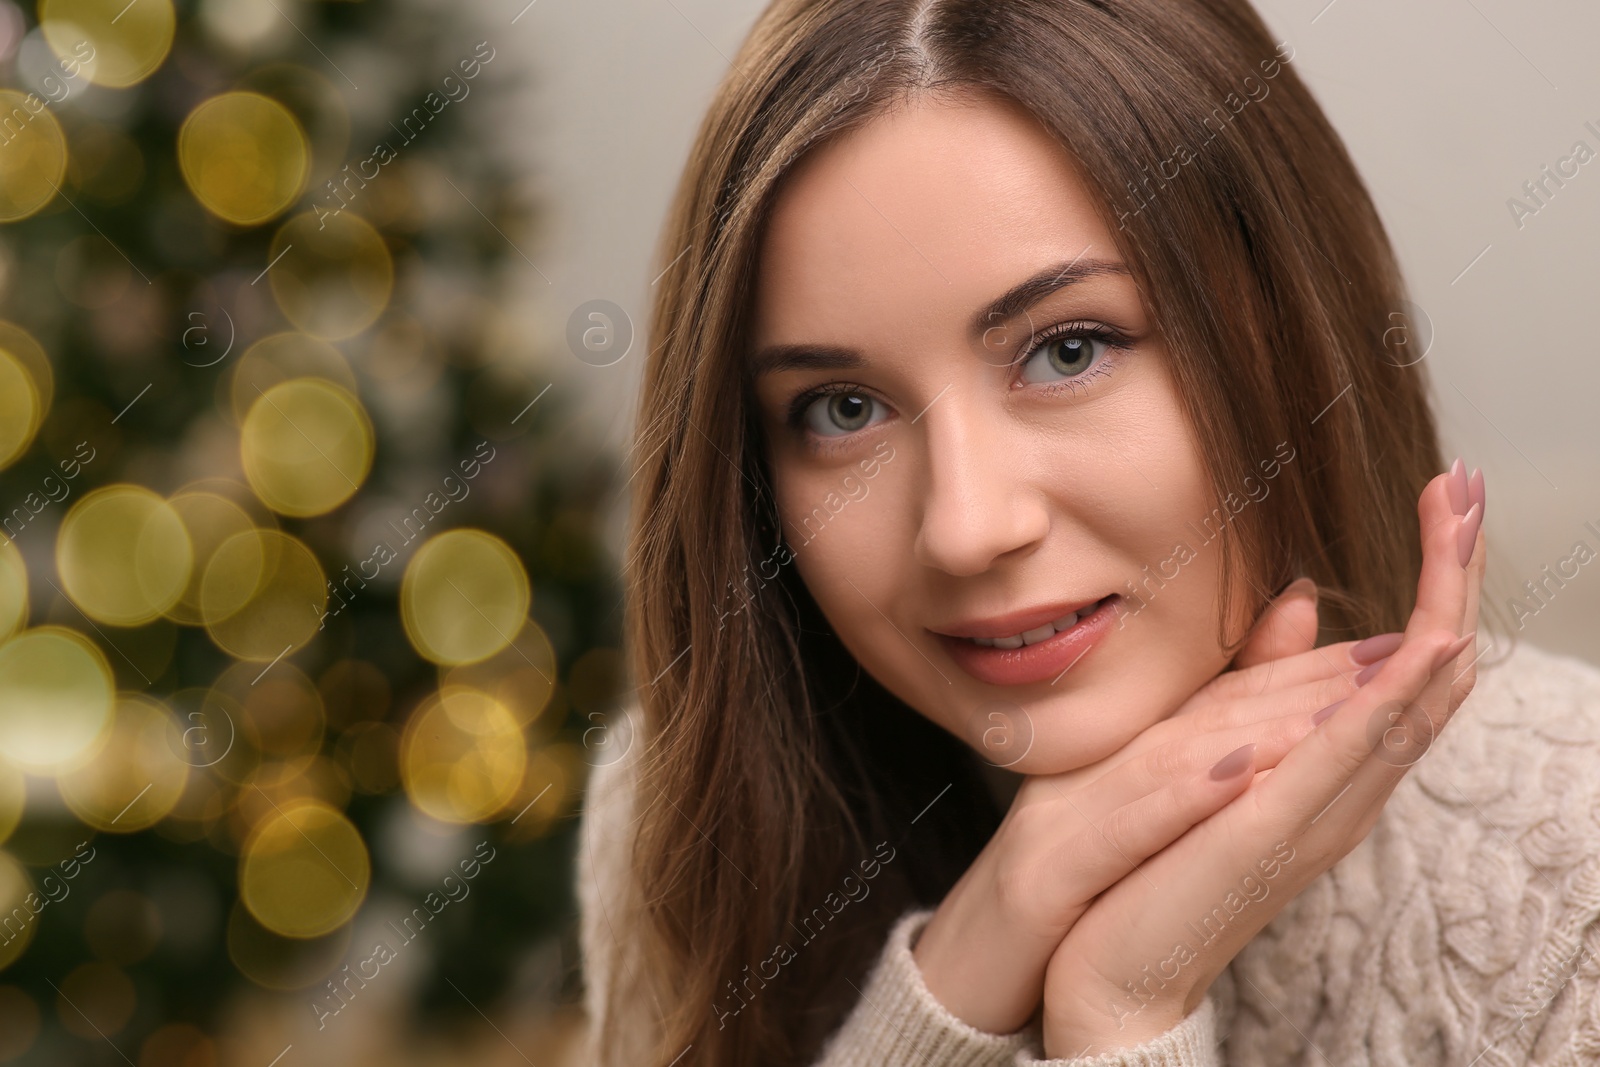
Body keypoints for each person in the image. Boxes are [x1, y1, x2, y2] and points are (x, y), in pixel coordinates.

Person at [577, 0, 1600, 1063]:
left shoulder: (1573, 883)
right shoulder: (683, 820)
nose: (966, 528)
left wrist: (1122, 1007)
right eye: (843, 409)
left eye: (1067, 349)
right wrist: (961, 975)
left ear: (1292, 333)